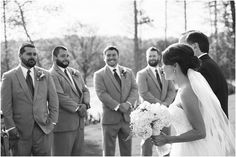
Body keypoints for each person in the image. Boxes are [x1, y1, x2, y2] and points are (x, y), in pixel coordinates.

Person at [152, 43, 235, 156]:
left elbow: (200, 132)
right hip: (185, 147)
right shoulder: (183, 89)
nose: (162, 68)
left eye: (164, 64)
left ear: (175, 66)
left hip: (194, 150)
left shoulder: (187, 92)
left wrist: (168, 139)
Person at [1, 43, 59, 155]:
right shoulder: (9, 77)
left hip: (43, 131)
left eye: (34, 54)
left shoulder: (45, 75)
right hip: (19, 133)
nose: (32, 56)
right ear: (20, 55)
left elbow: (54, 102)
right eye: (29, 54)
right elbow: (5, 106)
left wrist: (52, 124)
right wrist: (11, 128)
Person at [94, 46, 138, 156]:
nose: (111, 57)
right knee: (108, 152)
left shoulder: (128, 71)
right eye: (108, 55)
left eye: (114, 55)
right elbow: (101, 93)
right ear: (104, 58)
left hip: (127, 119)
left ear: (118, 56)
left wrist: (128, 104)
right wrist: (118, 106)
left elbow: (134, 89)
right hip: (110, 120)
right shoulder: (99, 75)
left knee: (127, 152)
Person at [49, 46, 90, 156]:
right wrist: (78, 108)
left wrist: (85, 104)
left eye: (67, 56)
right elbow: (59, 96)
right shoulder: (52, 75)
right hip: (63, 126)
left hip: (79, 125)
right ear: (54, 57)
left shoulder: (74, 72)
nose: (66, 58)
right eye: (63, 56)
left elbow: (85, 90)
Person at [136, 47, 176, 156]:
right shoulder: (142, 74)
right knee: (147, 145)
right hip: (148, 115)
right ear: (146, 58)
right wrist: (160, 104)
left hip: (165, 114)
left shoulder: (165, 71)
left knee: (166, 142)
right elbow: (144, 93)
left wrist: (166, 104)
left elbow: (172, 89)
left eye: (154, 56)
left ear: (158, 57)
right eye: (150, 56)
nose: (152, 58)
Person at [179, 31, 229, 117]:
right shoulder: (207, 63)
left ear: (195, 46)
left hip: (213, 124)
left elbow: (200, 102)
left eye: (183, 47)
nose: (180, 51)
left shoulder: (202, 68)